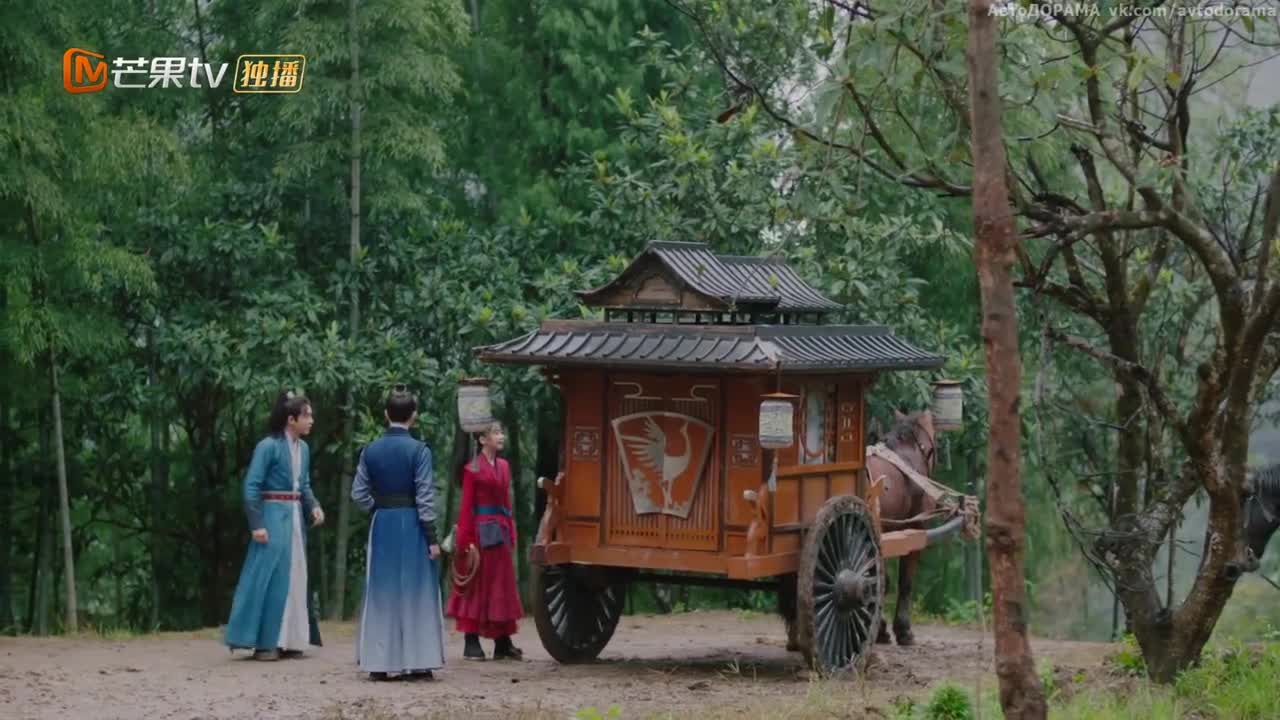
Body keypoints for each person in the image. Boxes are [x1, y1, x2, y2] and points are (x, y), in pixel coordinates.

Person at [350, 386, 446, 681]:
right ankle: (419, 662)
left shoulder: (370, 451)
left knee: (381, 591)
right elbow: (425, 498)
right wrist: (432, 538)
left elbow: (358, 494)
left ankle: (378, 663)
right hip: (413, 523)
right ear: (413, 416)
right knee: (416, 590)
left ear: (385, 414)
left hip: (383, 523)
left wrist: (377, 508)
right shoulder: (420, 451)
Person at [224, 391, 325, 660]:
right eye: (306, 415)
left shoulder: (303, 449)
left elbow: (303, 485)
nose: (311, 420)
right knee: (270, 577)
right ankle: (266, 642)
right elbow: (252, 486)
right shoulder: (267, 446)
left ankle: (291, 640)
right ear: (291, 419)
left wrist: (313, 505)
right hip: (272, 516)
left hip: (295, 518)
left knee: (295, 576)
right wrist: (257, 523)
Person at [445, 421, 524, 661]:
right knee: (477, 586)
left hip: (500, 531)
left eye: (502, 432)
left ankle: (502, 642)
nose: (501, 436)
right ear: (482, 440)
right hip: (479, 533)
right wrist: (466, 541)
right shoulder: (472, 469)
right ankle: (471, 642)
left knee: (501, 586)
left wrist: (511, 532)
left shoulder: (504, 466)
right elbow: (466, 507)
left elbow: (507, 503)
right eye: (496, 433)